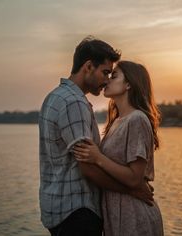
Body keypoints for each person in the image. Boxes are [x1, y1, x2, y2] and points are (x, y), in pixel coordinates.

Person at [39, 37, 154, 236]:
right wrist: (133, 190)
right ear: (89, 66)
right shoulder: (74, 102)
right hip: (76, 210)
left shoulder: (55, 97)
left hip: (63, 209)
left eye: (112, 74)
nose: (106, 79)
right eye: (105, 72)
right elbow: (88, 168)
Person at [73, 61, 164, 236]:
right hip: (116, 212)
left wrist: (98, 158)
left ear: (129, 84)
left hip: (134, 214)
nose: (106, 81)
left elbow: (134, 179)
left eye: (114, 76)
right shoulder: (117, 122)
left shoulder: (137, 119)